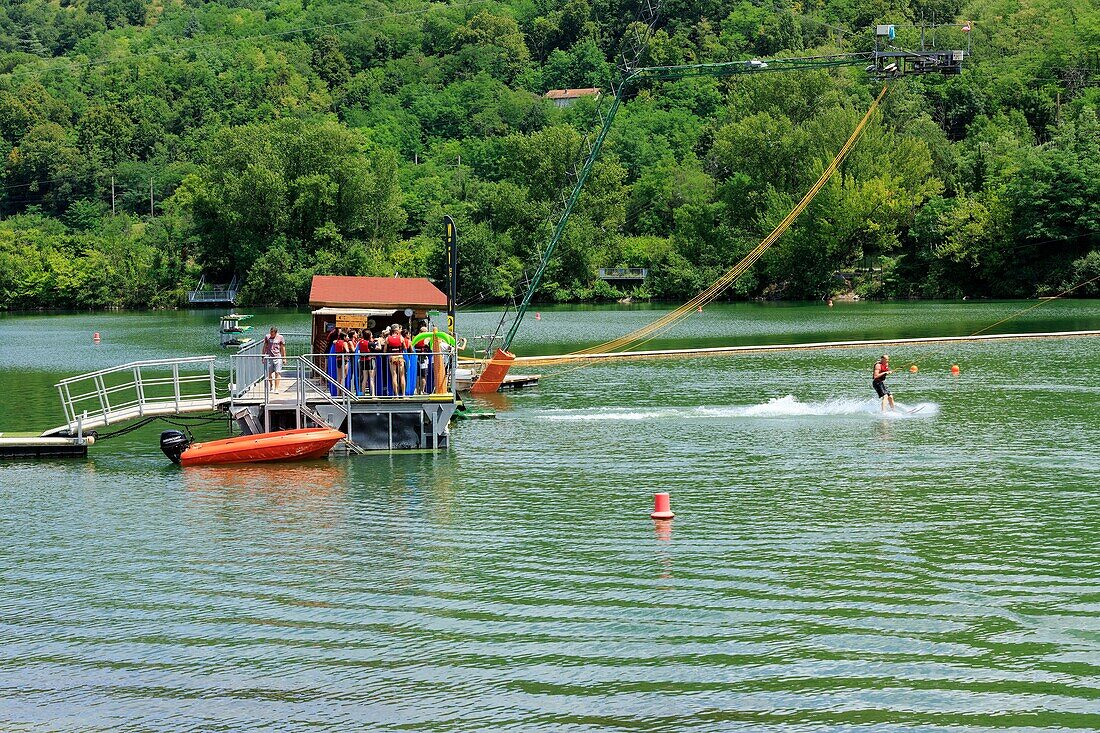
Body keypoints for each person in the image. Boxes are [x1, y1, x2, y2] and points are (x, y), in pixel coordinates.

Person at [262, 326, 285, 392]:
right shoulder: (267, 337)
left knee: (277, 373)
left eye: (273, 333)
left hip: (278, 357)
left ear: (276, 333)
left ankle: (276, 388)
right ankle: (271, 385)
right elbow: (264, 347)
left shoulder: (280, 337)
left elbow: (283, 348)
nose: (271, 335)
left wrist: (284, 358)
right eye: (270, 333)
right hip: (269, 357)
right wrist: (263, 357)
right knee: (269, 374)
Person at [386, 324, 407, 396]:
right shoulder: (401, 337)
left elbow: (385, 350)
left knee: (394, 376)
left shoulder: (388, 338)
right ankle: (403, 394)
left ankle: (396, 395)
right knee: (402, 376)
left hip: (392, 357)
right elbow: (405, 348)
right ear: (397, 330)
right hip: (400, 357)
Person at [414, 325, 431, 394]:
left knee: (418, 375)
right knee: (423, 376)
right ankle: (422, 391)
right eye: (426, 332)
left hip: (416, 358)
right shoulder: (426, 338)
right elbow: (426, 344)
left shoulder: (415, 338)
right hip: (423, 358)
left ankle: (418, 391)